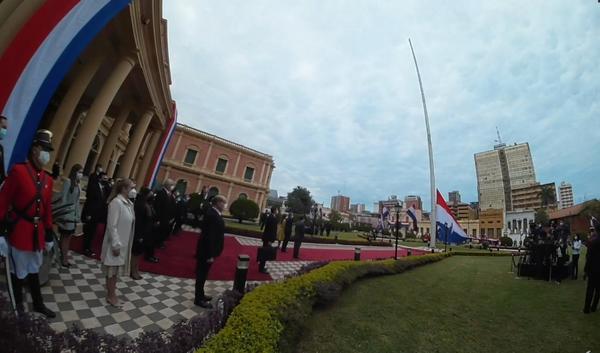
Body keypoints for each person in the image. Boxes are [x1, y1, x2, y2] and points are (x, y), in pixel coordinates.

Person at [0, 129, 57, 317]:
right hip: (21, 231)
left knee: (34, 269)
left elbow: (47, 209)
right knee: (19, 272)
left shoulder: (48, 179)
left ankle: (38, 304)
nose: (46, 154)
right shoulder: (18, 171)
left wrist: (49, 233)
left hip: (38, 233)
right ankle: (19, 310)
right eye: (44, 149)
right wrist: (0, 233)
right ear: (34, 149)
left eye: (48, 150)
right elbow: (3, 201)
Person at [101, 179, 135, 307]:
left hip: (124, 243)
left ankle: (112, 294)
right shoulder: (116, 202)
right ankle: (110, 296)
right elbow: (112, 225)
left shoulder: (128, 203)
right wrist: (115, 243)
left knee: (115, 271)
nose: (134, 190)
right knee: (111, 271)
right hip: (115, 243)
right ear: (124, 189)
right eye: (132, 187)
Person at [195, 195, 226, 308]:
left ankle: (201, 294)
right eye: (223, 203)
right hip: (206, 251)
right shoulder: (212, 214)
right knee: (201, 274)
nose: (224, 205)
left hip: (208, 250)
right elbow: (210, 236)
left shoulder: (214, 213)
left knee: (203, 274)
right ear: (217, 203)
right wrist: (210, 254)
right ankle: (198, 299)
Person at [56, 163, 83, 268]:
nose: (81, 174)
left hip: (73, 215)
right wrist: (62, 213)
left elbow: (76, 202)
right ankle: (64, 259)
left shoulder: (77, 184)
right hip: (66, 214)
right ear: (74, 172)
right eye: (79, 172)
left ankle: (63, 256)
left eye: (82, 172)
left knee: (68, 237)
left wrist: (77, 215)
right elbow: (63, 198)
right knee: (65, 236)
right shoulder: (68, 182)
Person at [81, 170, 109, 257]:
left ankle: (88, 247)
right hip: (91, 213)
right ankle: (85, 248)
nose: (105, 180)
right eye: (104, 178)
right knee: (88, 231)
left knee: (93, 232)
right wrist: (88, 214)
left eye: (106, 179)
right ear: (100, 178)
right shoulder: (94, 186)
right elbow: (90, 201)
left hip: (97, 214)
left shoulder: (104, 188)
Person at [132, 187, 155, 280]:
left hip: (146, 232)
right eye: (150, 194)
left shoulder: (148, 204)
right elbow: (139, 221)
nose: (152, 195)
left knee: (139, 253)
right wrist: (139, 235)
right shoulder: (140, 204)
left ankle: (136, 269)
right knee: (136, 253)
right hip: (140, 233)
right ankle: (133, 271)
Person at [152, 178, 176, 256]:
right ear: (169, 185)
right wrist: (157, 219)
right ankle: (155, 244)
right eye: (172, 185)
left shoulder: (170, 194)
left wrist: (171, 217)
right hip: (160, 218)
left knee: (163, 232)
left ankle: (160, 243)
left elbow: (171, 206)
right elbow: (157, 207)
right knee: (157, 232)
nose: (173, 187)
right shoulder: (161, 193)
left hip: (167, 218)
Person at [583, 219, 600, 314]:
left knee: (590, 289)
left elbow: (588, 258)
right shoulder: (593, 241)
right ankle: (594, 307)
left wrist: (586, 270)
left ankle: (586, 309)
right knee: (598, 290)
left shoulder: (592, 241)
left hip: (593, 270)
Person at [259, 207, 278, 273]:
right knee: (265, 253)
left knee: (264, 252)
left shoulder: (270, 217)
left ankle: (262, 266)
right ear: (275, 211)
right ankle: (261, 268)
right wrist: (271, 240)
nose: (277, 211)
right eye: (277, 210)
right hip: (268, 238)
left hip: (267, 237)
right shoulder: (272, 218)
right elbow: (271, 230)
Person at [0, 115, 7, 185]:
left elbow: (2, 173)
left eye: (6, 129)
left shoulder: (1, 148)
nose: (4, 131)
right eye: (3, 127)